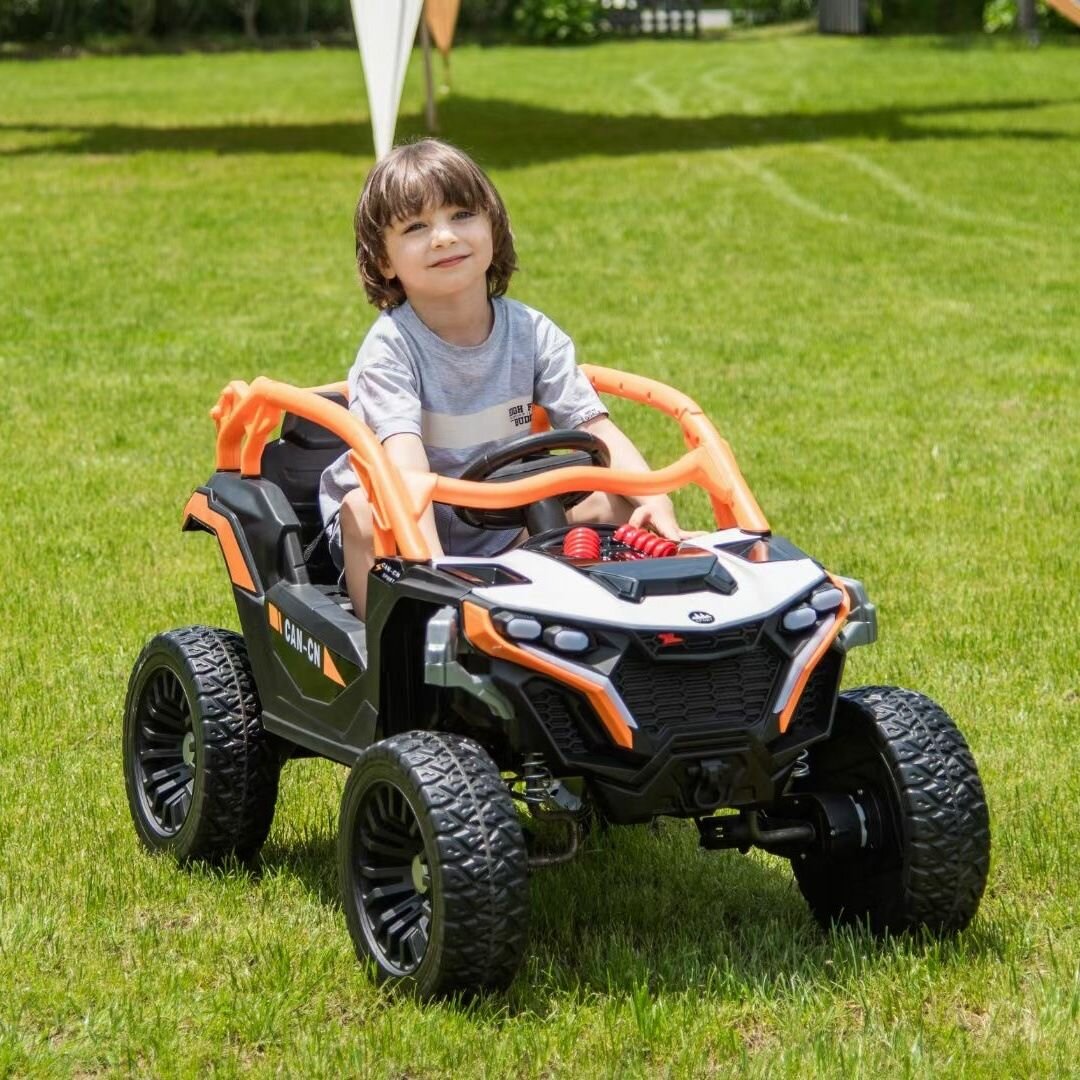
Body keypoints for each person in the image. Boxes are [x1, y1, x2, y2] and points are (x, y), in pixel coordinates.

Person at [318, 139, 698, 619]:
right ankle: (394, 648)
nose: (443, 237)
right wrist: (434, 568)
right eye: (417, 226)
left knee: (616, 505)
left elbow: (597, 428)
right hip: (404, 521)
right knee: (364, 510)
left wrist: (657, 503)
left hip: (501, 514)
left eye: (461, 215)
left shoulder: (532, 333)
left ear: (493, 227)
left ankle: (620, 629)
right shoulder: (391, 349)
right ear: (383, 261)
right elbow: (404, 469)